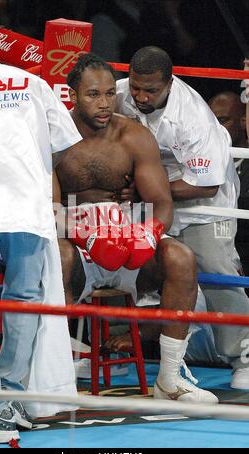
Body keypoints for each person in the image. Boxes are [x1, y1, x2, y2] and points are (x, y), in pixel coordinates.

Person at [55, 52, 218, 404]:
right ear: (73, 95)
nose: (103, 103)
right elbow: (46, 207)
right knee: (56, 257)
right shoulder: (56, 137)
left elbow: (161, 202)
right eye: (93, 94)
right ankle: (56, 377)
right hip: (77, 247)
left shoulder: (133, 135)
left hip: (128, 243)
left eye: (110, 94)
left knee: (180, 257)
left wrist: (148, 233)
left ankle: (171, 378)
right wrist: (86, 232)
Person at [0, 23, 83, 444]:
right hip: (26, 204)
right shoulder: (31, 82)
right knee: (23, 299)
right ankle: (10, 400)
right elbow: (64, 142)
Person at [116, 45, 249, 389]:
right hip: (149, 199)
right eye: (135, 86)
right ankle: (118, 349)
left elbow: (203, 186)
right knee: (130, 267)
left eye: (151, 90)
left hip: (202, 206)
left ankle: (244, 357)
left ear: (169, 83)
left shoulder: (193, 118)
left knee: (218, 275)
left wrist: (146, 188)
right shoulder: (117, 95)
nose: (141, 96)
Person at [209, 91, 249, 278]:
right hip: (217, 251)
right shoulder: (206, 163)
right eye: (212, 122)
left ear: (243, 121)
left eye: (223, 121)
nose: (216, 129)